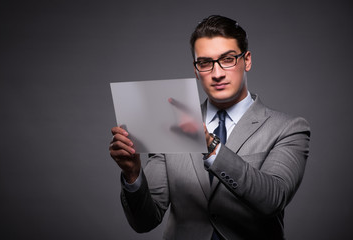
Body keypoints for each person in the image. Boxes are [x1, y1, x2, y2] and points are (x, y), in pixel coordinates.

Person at [109, 15, 310, 240]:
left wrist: (211, 147)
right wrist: (133, 173)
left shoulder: (288, 128)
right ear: (196, 70)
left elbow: (273, 199)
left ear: (247, 60)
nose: (217, 73)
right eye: (205, 63)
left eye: (228, 59)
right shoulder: (171, 123)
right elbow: (145, 221)